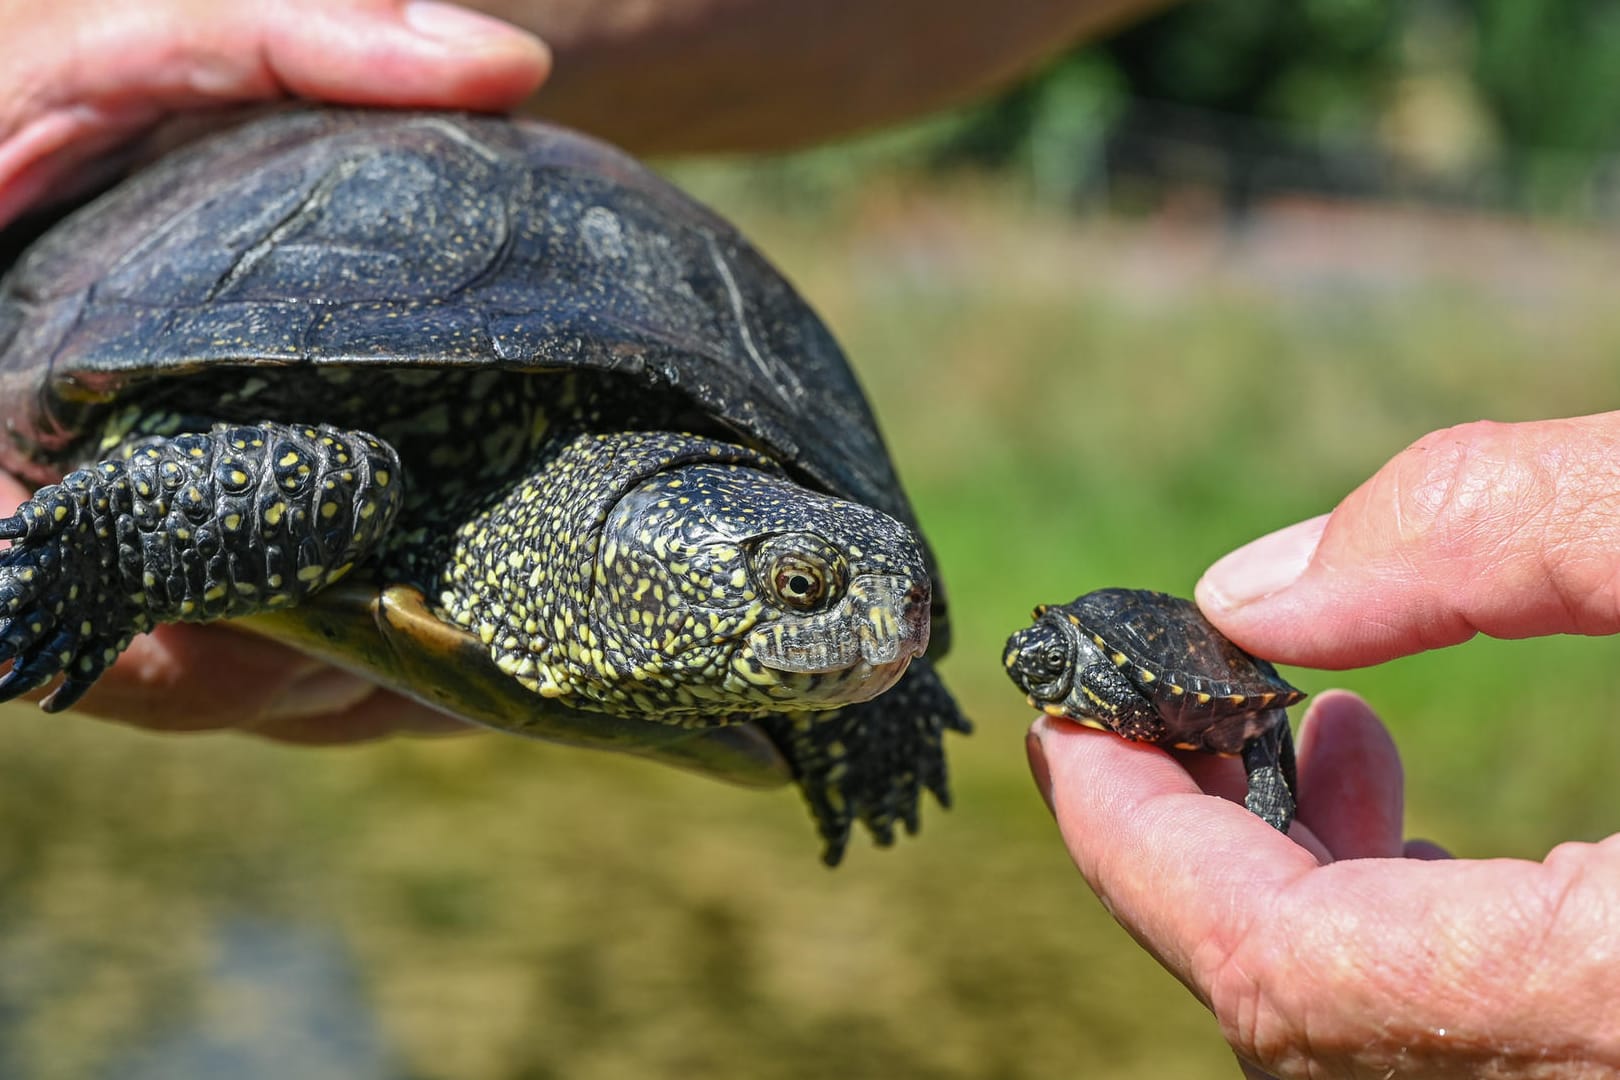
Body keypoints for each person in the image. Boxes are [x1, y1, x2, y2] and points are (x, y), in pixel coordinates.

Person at [5, 3, 1620, 1075]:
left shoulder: (824, 583)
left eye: (866, 581)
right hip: (223, 245)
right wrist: (73, 556)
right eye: (804, 587)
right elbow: (237, 467)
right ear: (667, 561)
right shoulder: (356, 477)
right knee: (324, 490)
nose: (878, 616)